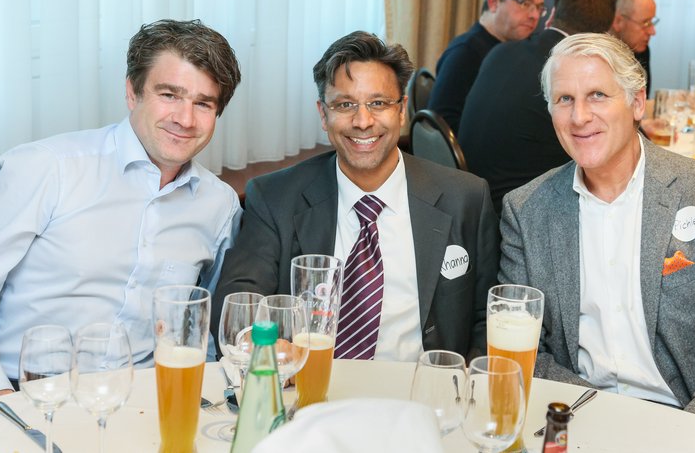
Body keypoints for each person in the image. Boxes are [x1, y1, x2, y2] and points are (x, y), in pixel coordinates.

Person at [499, 32, 695, 420]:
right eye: (564, 99)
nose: (579, 117)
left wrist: (684, 435)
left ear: (637, 102)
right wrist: (597, 417)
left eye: (598, 95)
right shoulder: (526, 210)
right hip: (580, 414)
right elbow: (524, 350)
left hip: (689, 418)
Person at [0, 19, 242, 398]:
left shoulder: (219, 204)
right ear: (132, 93)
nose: (185, 119)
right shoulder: (45, 168)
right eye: (169, 95)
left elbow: (203, 327)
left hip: (145, 399)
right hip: (26, 395)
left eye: (203, 103)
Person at [213, 31, 499, 361]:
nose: (363, 122)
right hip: (310, 383)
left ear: (401, 110)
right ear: (323, 114)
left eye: (378, 103)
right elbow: (240, 300)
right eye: (345, 105)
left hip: (424, 386)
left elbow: (488, 318)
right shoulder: (276, 198)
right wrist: (260, 347)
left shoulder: (465, 198)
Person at [458, 0, 616, 214]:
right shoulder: (572, 76)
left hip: (469, 197)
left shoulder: (502, 50)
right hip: (520, 211)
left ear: (552, 14)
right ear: (604, 35)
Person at [427, 0, 549, 133]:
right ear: (494, 2)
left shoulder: (515, 51)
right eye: (525, 3)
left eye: (539, 7)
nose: (535, 15)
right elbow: (439, 125)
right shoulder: (465, 52)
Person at [610, 0, 657, 93]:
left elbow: (642, 99)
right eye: (645, 23)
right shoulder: (595, 56)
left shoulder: (641, 51)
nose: (652, 31)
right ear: (618, 22)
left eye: (652, 22)